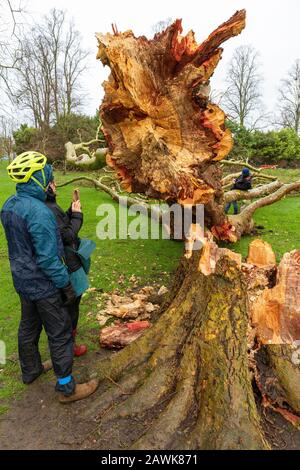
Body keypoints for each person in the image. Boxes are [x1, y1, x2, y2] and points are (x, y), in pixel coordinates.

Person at [0, 151, 98, 403]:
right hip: (43, 285)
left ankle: (30, 371)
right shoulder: (40, 213)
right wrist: (65, 284)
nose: (50, 179)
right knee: (60, 331)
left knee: (28, 327)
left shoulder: (10, 205)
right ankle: (67, 388)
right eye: (47, 175)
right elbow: (47, 258)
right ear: (37, 178)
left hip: (21, 281)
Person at [45, 179, 88, 357]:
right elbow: (67, 235)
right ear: (46, 186)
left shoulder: (48, 205)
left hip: (62, 262)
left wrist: (71, 209)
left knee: (69, 303)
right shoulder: (49, 207)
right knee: (72, 303)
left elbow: (61, 225)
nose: (55, 185)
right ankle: (69, 346)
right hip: (67, 263)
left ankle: (67, 343)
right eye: (52, 183)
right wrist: (77, 216)